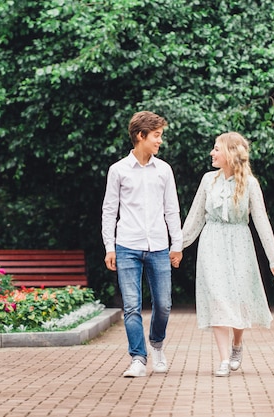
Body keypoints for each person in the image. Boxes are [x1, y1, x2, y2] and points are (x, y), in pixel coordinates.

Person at [181, 131, 274, 377]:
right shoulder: (208, 180)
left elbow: (261, 222)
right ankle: (224, 359)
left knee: (238, 298)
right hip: (212, 242)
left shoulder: (250, 183)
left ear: (230, 153)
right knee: (217, 297)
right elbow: (195, 218)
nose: (212, 153)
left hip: (240, 243)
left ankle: (237, 344)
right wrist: (177, 247)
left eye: (217, 149)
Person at [101, 111, 184, 378]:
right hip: (126, 246)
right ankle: (138, 357)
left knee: (164, 304)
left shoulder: (164, 170)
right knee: (132, 306)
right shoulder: (118, 170)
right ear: (141, 136)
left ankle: (157, 344)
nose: (160, 141)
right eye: (157, 136)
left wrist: (177, 244)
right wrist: (109, 247)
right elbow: (109, 210)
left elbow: (172, 210)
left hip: (159, 247)